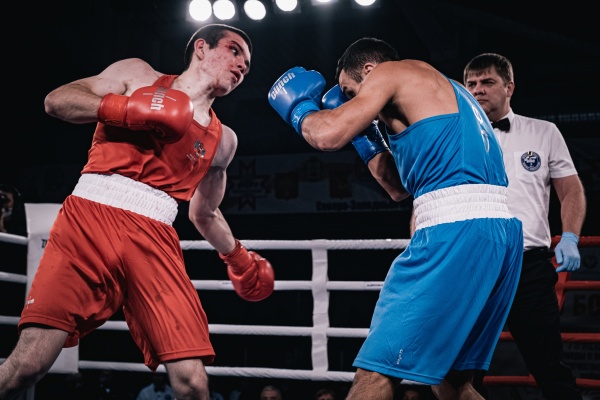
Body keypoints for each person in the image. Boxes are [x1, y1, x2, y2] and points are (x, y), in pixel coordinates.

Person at [0, 23, 276, 400]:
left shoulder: (223, 141)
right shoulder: (138, 74)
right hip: (88, 219)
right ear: (201, 48)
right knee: (27, 366)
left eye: (247, 61)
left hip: (155, 237)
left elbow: (205, 213)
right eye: (234, 50)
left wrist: (239, 259)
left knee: (193, 383)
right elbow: (57, 100)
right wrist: (129, 108)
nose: (243, 64)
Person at [267, 37, 523, 400]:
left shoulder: (390, 73)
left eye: (350, 92)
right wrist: (366, 139)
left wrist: (300, 110)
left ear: (369, 70)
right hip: (498, 235)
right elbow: (399, 188)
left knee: (375, 374)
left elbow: (326, 135)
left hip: (453, 231)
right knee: (453, 384)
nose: (352, 102)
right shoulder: (446, 92)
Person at [463, 53, 587, 400]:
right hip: (472, 265)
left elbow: (571, 189)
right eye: (471, 83)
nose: (478, 89)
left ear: (509, 87)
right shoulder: (455, 136)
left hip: (527, 267)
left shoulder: (543, 132)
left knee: (549, 367)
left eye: (487, 82)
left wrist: (570, 236)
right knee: (462, 373)